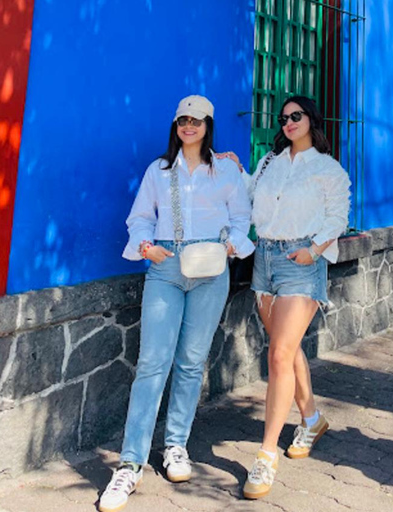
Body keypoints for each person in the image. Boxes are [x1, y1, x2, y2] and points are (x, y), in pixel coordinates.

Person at [99, 95, 254, 512]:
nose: (189, 126)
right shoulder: (159, 169)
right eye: (183, 120)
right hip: (166, 267)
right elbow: (139, 218)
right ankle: (130, 464)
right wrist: (146, 246)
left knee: (190, 361)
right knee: (152, 363)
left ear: (208, 126)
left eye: (197, 120)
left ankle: (175, 446)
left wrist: (231, 247)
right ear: (176, 125)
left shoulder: (226, 169)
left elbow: (242, 217)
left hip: (210, 271)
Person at [218, 96, 351, 499]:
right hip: (266, 260)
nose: (289, 122)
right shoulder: (269, 162)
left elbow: (338, 217)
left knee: (277, 354)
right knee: (286, 350)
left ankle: (266, 455)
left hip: (301, 259)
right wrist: (237, 169)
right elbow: (251, 196)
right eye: (284, 118)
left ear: (312, 118)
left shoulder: (328, 168)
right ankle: (310, 418)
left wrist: (313, 248)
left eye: (297, 116)